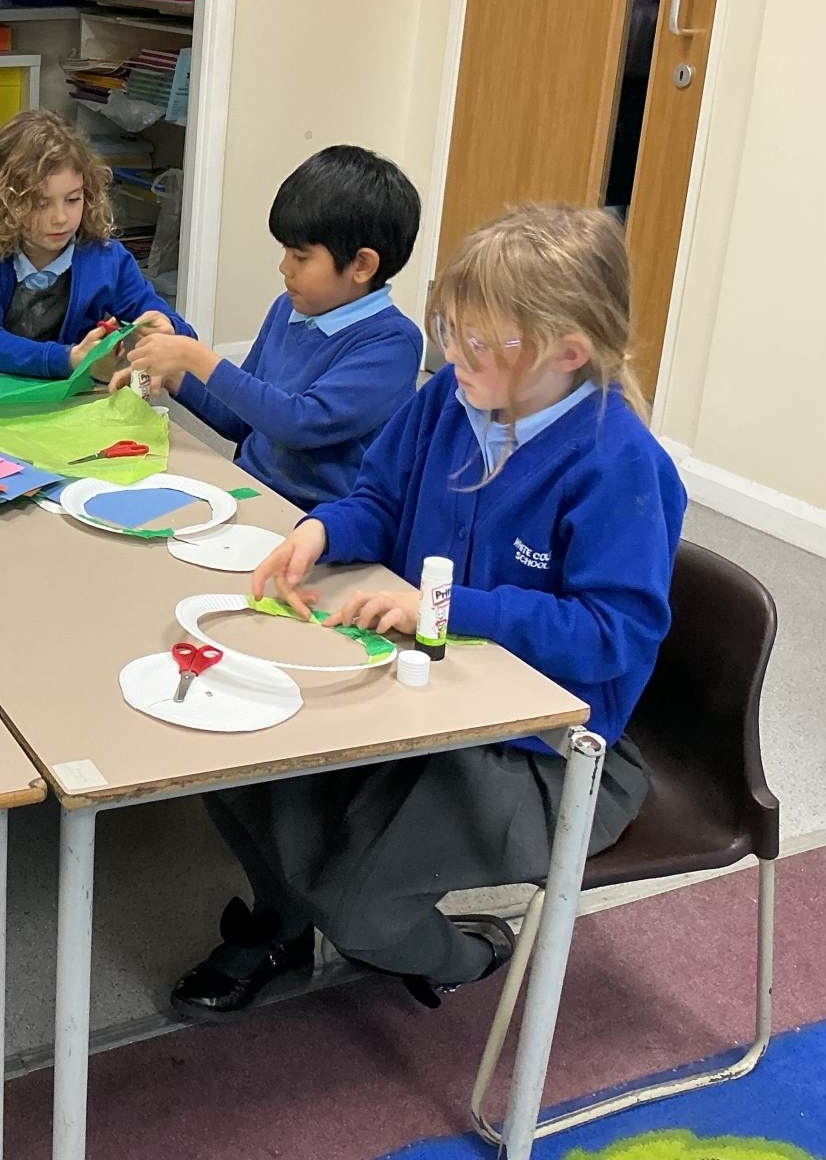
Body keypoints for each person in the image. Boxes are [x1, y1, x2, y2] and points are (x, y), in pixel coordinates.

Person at [170, 205, 686, 1022]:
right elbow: (379, 497)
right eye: (450, 331)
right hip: (426, 694)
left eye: (480, 343)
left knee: (361, 905)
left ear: (567, 353)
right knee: (235, 769)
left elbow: (610, 634)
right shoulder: (453, 396)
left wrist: (443, 606)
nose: (453, 356)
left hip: (538, 750)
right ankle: (287, 920)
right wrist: (321, 531)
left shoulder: (619, 463)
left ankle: (473, 954)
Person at [114, 145, 424, 508]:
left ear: (362, 265)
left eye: (301, 257)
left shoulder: (393, 344)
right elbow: (240, 418)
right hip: (252, 491)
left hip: (319, 520)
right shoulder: (288, 309)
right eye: (285, 252)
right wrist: (175, 375)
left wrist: (195, 357)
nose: (284, 267)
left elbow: (299, 423)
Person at [0, 109, 191, 377]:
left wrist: (168, 326)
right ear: (2, 203)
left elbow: (181, 332)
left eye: (73, 199)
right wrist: (67, 359)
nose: (61, 218)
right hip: (0, 391)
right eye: (41, 203)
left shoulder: (107, 260)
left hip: (77, 397)